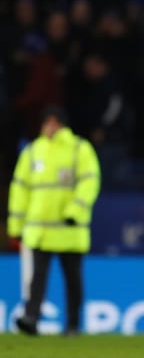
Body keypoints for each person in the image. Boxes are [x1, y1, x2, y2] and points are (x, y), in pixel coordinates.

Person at [8, 105, 101, 336]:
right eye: (47, 122)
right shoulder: (32, 151)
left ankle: (72, 324)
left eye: (54, 122)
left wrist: (74, 212)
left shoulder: (79, 149)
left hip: (70, 228)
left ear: (62, 124)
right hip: (39, 230)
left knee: (72, 279)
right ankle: (31, 318)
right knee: (36, 278)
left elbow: (89, 182)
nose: (50, 126)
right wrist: (16, 226)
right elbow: (20, 190)